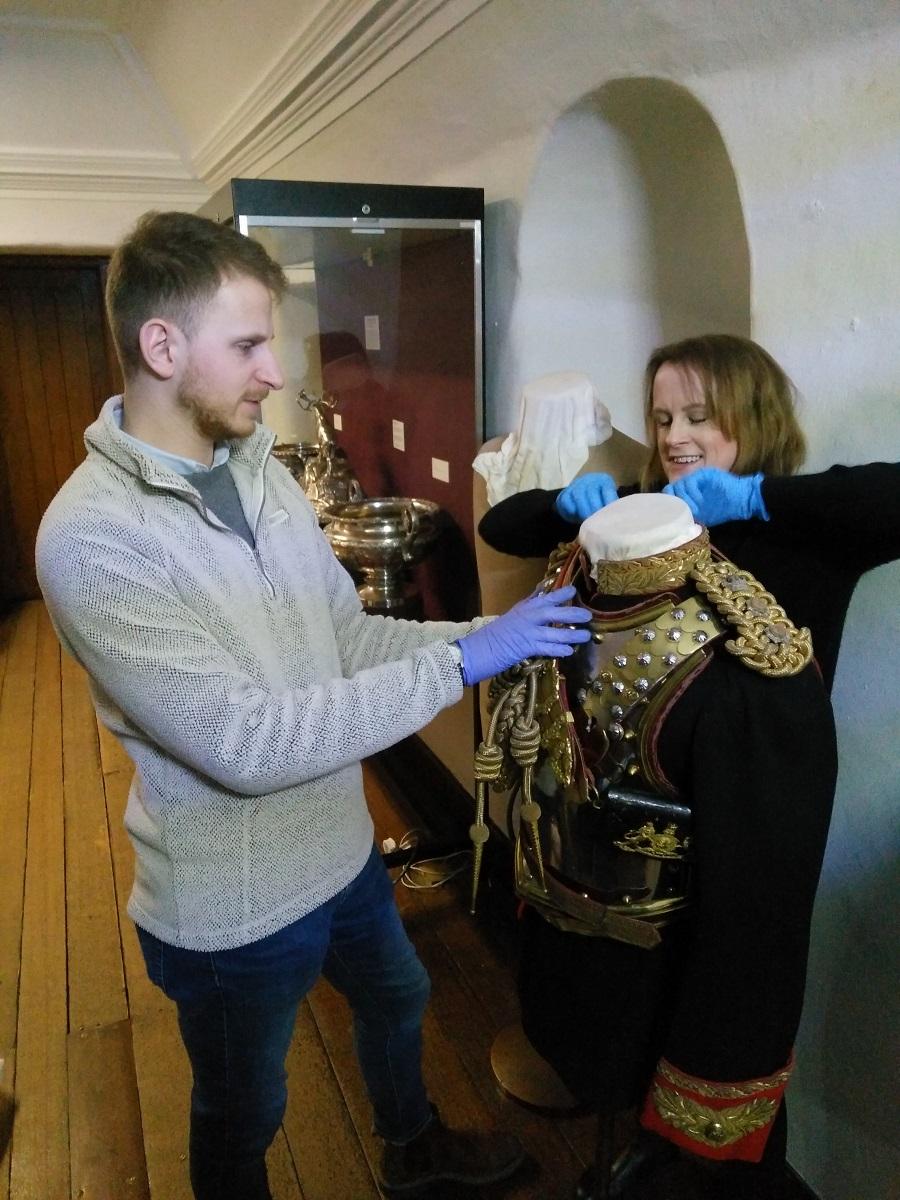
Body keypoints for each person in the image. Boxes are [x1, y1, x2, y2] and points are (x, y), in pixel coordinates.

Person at [34, 210, 593, 1200]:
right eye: (248, 344)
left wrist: (489, 641)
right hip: (233, 909)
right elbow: (245, 742)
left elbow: (344, 639)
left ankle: (412, 1147)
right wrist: (468, 662)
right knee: (246, 1110)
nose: (271, 373)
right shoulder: (92, 538)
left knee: (399, 995)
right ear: (161, 345)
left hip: (341, 849)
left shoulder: (260, 473)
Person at [476, 335, 900, 1198]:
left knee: (724, 1043)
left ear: (753, 419)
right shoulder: (637, 518)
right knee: (634, 1037)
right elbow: (500, 523)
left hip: (744, 852)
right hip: (625, 854)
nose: (674, 435)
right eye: (663, 416)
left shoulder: (803, 538)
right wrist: (568, 501)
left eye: (699, 417)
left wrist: (757, 497)